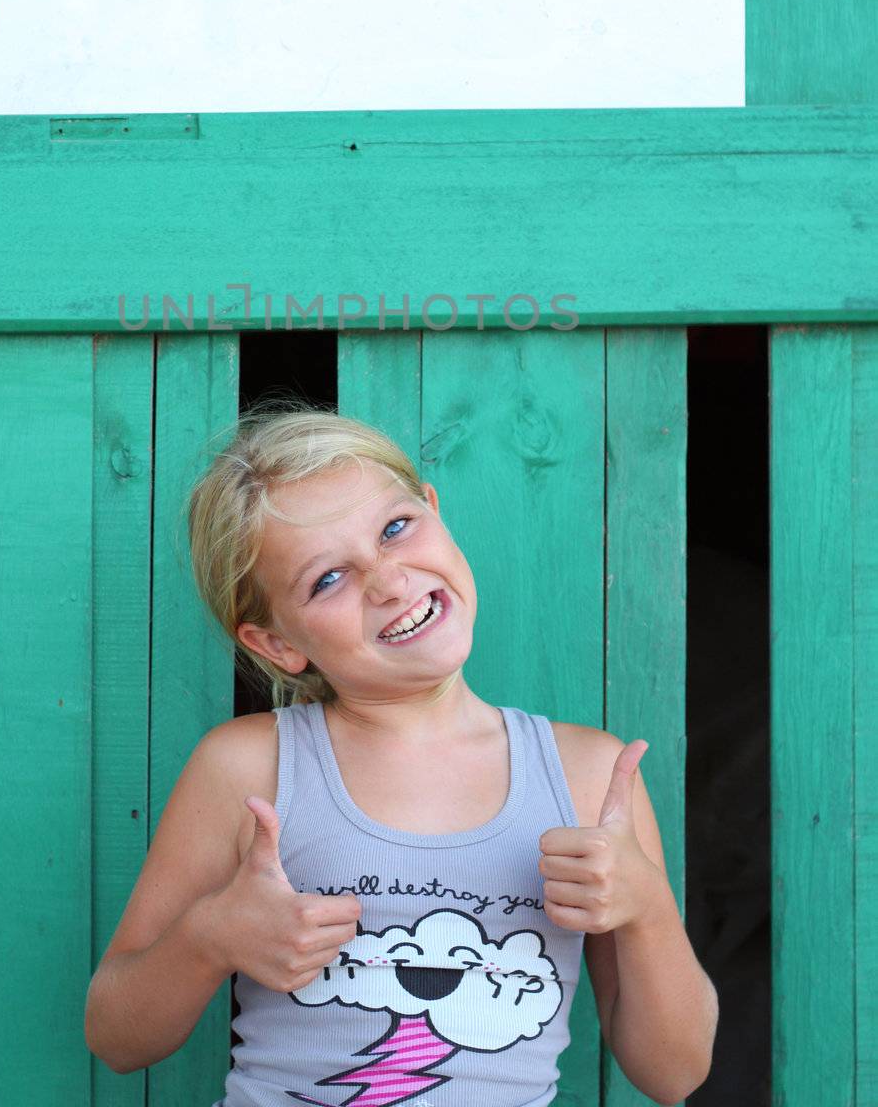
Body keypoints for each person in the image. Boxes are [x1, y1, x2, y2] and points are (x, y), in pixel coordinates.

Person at [84, 400, 718, 1104]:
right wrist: (210, 938)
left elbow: (674, 1073)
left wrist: (646, 909)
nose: (388, 581)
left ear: (434, 511)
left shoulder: (588, 775)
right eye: (327, 579)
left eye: (395, 528)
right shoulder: (248, 768)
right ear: (277, 644)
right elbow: (116, 1036)